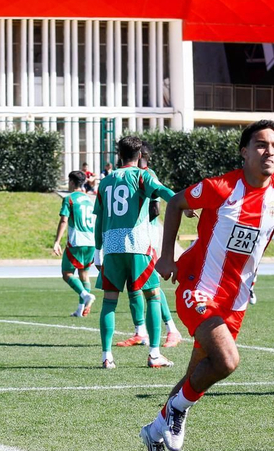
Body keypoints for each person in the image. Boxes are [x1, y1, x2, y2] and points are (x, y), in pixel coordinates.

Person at [140, 120, 274, 451]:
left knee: (200, 370)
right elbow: (175, 203)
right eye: (262, 145)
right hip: (197, 285)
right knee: (227, 361)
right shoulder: (221, 187)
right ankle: (176, 411)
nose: (270, 152)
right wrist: (166, 257)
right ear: (245, 151)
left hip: (235, 300)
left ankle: (156, 429)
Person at [94, 136, 175, 370]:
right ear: (139, 155)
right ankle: (154, 354)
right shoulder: (142, 175)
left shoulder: (106, 181)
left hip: (111, 247)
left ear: (118, 155)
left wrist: (98, 250)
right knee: (153, 296)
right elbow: (162, 190)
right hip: (137, 245)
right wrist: (183, 204)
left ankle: (107, 356)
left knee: (109, 302)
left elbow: (99, 219)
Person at [115, 142, 183, 349]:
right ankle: (140, 332)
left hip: (147, 235)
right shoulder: (124, 176)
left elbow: (157, 207)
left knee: (150, 285)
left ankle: (172, 329)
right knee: (134, 285)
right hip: (132, 237)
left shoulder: (147, 175)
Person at [52, 170, 97, 316]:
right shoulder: (88, 199)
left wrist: (57, 241)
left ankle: (85, 295)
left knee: (67, 273)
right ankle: (80, 310)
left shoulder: (69, 199)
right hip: (90, 241)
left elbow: (64, 220)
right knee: (84, 273)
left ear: (72, 182)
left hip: (77, 241)